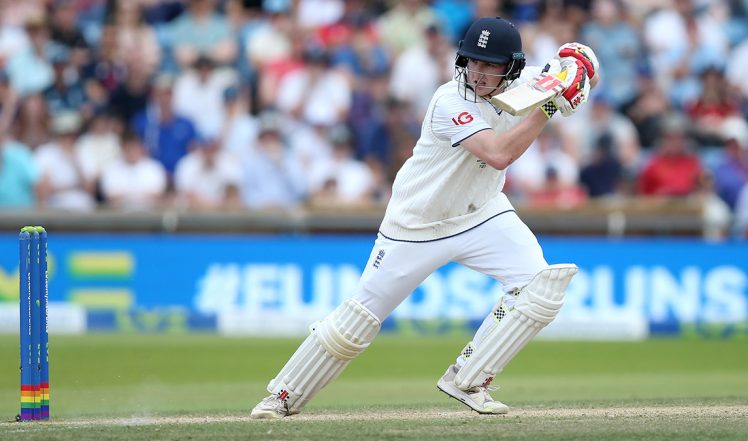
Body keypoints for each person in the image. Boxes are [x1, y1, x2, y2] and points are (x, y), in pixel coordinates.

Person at [250, 17, 598, 419]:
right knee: (357, 322)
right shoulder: (449, 101)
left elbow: (578, 59)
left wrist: (577, 69)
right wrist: (552, 105)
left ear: (513, 67)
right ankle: (281, 396)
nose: (480, 73)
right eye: (473, 62)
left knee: (538, 287)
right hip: (416, 226)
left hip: (481, 212)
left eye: (491, 65)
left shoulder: (527, 83)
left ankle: (468, 379)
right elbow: (499, 154)